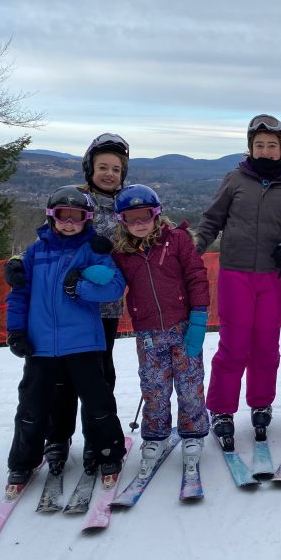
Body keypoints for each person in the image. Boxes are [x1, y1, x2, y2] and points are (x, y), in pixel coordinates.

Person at [4, 132, 130, 474]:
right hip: (59, 312)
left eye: (116, 169)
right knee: (57, 383)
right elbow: (44, 245)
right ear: (90, 168)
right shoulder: (75, 201)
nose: (109, 173)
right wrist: (17, 262)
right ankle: (58, 437)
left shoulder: (125, 205)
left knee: (98, 378)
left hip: (101, 311)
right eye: (102, 166)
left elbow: (145, 234)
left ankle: (98, 441)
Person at [193, 114, 281, 448]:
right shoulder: (235, 179)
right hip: (235, 274)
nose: (264, 151)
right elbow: (212, 219)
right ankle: (221, 410)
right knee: (233, 345)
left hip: (273, 276)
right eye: (258, 145)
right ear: (250, 148)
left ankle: (261, 404)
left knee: (266, 346)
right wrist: (193, 250)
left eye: (271, 146)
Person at [112, 184, 211, 475]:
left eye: (146, 216)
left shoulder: (177, 240)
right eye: (132, 218)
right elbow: (114, 284)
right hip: (148, 333)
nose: (140, 224)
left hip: (183, 327)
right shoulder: (121, 253)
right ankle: (155, 435)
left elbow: (196, 275)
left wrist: (200, 315)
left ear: (157, 215)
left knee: (190, 384)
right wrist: (96, 274)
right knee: (154, 388)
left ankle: (192, 433)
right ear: (122, 221)